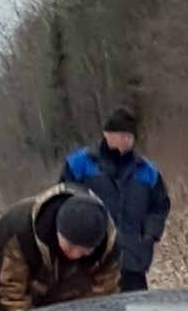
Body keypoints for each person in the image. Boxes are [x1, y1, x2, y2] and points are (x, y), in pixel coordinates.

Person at [60, 106, 170, 293]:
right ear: (106, 134)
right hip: (88, 262)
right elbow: (62, 201)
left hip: (132, 262)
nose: (126, 140)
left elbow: (159, 207)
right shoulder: (79, 163)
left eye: (130, 137)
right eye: (121, 135)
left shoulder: (147, 171)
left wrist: (149, 237)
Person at [0, 185, 121, 311]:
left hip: (66, 302)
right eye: (70, 246)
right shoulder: (17, 230)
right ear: (57, 230)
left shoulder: (108, 248)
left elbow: (102, 298)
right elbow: (10, 292)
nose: (75, 255)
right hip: (3, 300)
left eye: (85, 251)